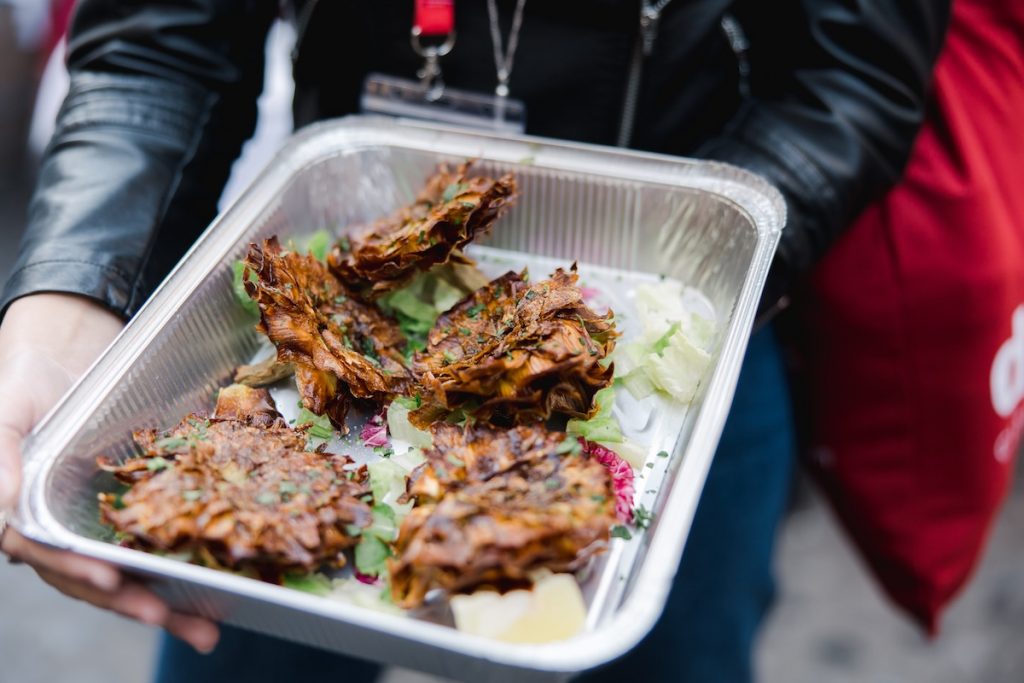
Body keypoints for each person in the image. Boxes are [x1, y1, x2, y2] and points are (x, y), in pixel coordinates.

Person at [0, 2, 950, 681]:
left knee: (675, 654)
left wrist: (703, 258)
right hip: (333, 313)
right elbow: (162, 41)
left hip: (680, 324)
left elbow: (853, 76)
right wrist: (76, 289)